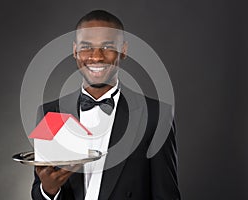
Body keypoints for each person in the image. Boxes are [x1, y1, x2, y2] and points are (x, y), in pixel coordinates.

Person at [31, 10, 181, 200]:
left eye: (108, 46)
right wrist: (49, 190)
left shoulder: (155, 115)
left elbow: (166, 195)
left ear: (123, 50)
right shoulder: (50, 112)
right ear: (75, 50)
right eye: (87, 47)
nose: (97, 57)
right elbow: (38, 191)